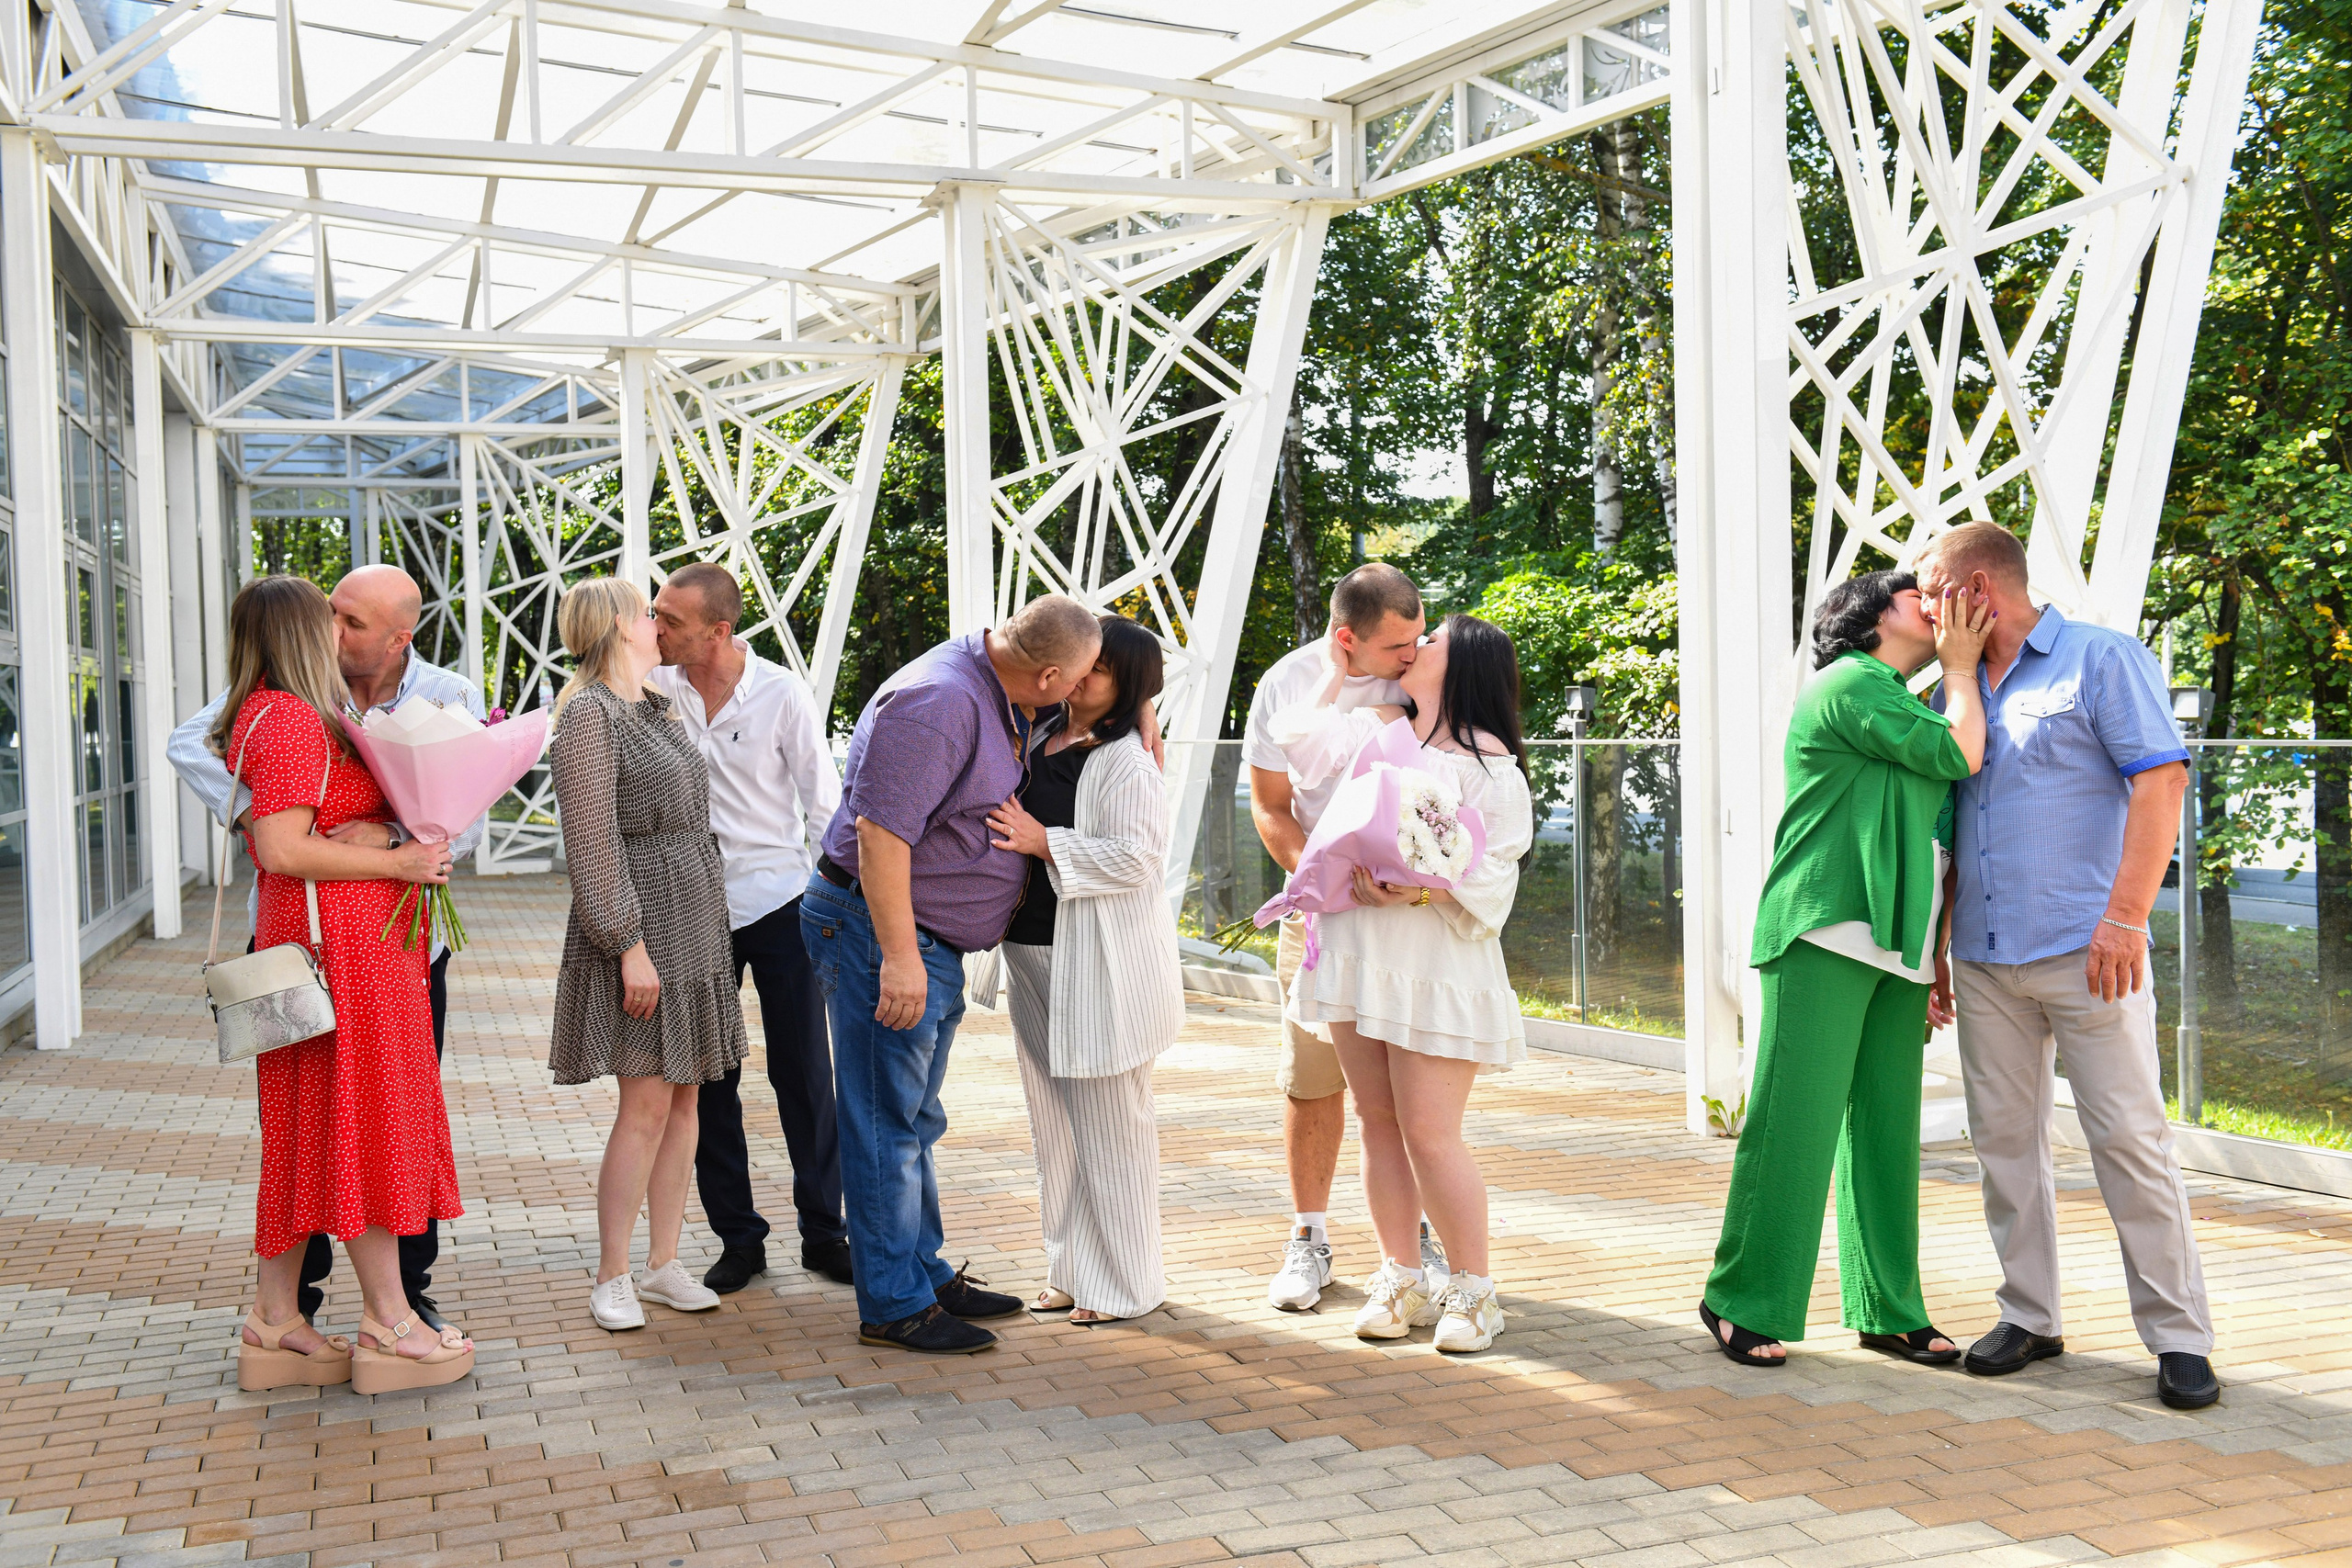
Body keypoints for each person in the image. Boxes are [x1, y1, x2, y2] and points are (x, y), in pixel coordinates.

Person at [1914, 524, 2220, 1410]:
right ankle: (2030, 1314)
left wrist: (2126, 918)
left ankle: (2179, 1336)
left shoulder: (2100, 659)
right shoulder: (1950, 689)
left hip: (2091, 953)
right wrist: (1940, 944)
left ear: (1977, 587)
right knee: (2005, 1146)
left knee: (2129, 1141)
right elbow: (1951, 827)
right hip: (1983, 956)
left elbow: (2161, 781)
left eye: (1932, 589)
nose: (1923, 607)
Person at [169, 563, 486, 1342]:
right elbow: (280, 842)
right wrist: (390, 859)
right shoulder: (288, 716)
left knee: (310, 1129)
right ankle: (387, 1317)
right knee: (356, 1124)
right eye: (329, 616)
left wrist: (389, 835)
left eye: (352, 620)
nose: (337, 630)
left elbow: (458, 816)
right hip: (329, 952)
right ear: (300, 633)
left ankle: (279, 1318)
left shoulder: (404, 697)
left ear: (398, 634)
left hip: (353, 945)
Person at [1697, 570, 1990, 1369]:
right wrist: (1961, 669)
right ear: (1868, 622)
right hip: (1823, 928)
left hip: (1901, 942)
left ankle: (1888, 1307)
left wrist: (1934, 953)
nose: (1931, 611)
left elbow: (1937, 837)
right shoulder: (1848, 683)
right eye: (1911, 600)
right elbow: (1960, 753)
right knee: (1794, 1124)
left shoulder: (1905, 698)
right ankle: (1741, 1298)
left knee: (1887, 1135)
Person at [804, 594, 1102, 1354]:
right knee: (884, 1125)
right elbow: (881, 834)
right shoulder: (939, 702)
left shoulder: (996, 690)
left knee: (911, 1119)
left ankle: (923, 1271)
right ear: (1049, 672)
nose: (1082, 692)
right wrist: (899, 956)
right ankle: (895, 1305)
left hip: (924, 941)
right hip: (885, 937)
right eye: (1081, 679)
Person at [1265, 614, 1535, 1354]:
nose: (1416, 649)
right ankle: (1402, 1275)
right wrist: (1336, 657)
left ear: (1462, 667)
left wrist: (1418, 889)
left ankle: (1475, 1292)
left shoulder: (1492, 770)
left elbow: (1494, 878)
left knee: (1429, 1131)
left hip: (1434, 964)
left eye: (1433, 641)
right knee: (1378, 1123)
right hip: (1358, 951)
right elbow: (1300, 743)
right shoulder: (1378, 734)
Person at [546, 576, 749, 1331]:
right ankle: (614, 1273)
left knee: (689, 1094)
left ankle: (664, 1262)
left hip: (694, 916)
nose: (658, 623)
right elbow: (592, 845)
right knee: (645, 1103)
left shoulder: (657, 707)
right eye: (646, 613)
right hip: (642, 922)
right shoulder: (590, 717)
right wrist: (627, 944)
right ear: (617, 627)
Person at [649, 562, 852, 1295]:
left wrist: (838, 903)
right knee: (707, 1078)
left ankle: (825, 1232)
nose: (655, 627)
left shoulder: (781, 692)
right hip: (688, 908)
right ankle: (739, 1238)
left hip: (780, 900)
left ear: (719, 630)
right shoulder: (652, 687)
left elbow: (823, 801)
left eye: (669, 619)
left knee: (805, 1071)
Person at [1245, 562, 1441, 1314]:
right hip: (1322, 916)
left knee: (1410, 1087)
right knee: (1313, 1075)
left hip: (1407, 919)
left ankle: (1415, 1235)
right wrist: (1314, 880)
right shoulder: (1286, 684)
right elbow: (1269, 803)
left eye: (1418, 638)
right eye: (1397, 644)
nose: (1410, 655)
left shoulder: (1422, 673)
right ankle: (1310, 1237)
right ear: (1346, 639)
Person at [983, 616, 1183, 1325]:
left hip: (1097, 963)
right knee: (1055, 1123)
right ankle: (1071, 1267)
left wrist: (1045, 841)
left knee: (1111, 1125)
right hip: (1031, 952)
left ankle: (1127, 1283)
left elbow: (1138, 859)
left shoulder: (1127, 758)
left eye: (1097, 668)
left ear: (1125, 682)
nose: (1079, 674)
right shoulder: (1042, 728)